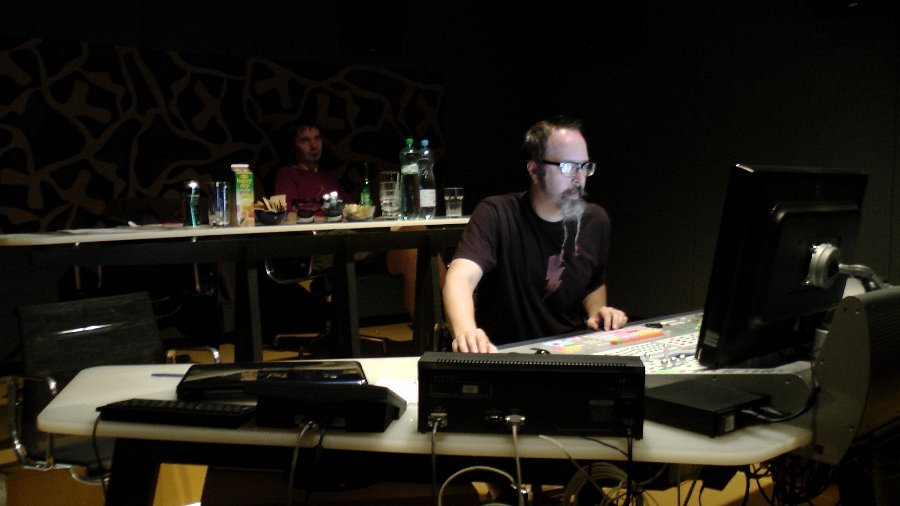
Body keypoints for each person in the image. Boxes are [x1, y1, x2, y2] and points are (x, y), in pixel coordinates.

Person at [443, 115, 628, 353]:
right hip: (504, 353)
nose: (579, 178)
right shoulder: (497, 213)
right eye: (568, 167)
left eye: (584, 167)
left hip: (570, 352)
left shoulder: (595, 220)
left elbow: (593, 285)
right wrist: (466, 332)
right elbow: (460, 278)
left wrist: (597, 313)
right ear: (534, 170)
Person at [272, 121, 423, 318]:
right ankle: (426, 325)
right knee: (411, 242)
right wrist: (330, 219)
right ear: (294, 147)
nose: (314, 145)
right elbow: (287, 216)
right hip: (323, 247)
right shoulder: (287, 174)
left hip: (351, 241)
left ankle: (442, 322)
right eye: (305, 141)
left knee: (418, 234)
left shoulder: (327, 178)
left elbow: (354, 211)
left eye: (317, 139)